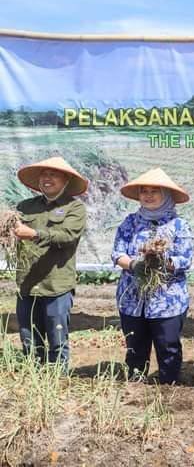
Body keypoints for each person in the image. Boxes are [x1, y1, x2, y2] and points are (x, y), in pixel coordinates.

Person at [111, 168, 193, 384]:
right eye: (143, 191)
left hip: (167, 300)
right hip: (133, 299)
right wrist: (135, 264)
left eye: (154, 191)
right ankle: (135, 387)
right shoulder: (130, 222)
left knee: (168, 347)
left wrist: (162, 262)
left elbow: (185, 259)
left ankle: (168, 389)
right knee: (135, 347)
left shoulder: (178, 225)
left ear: (165, 195)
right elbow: (117, 253)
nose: (147, 195)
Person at [14, 156, 88, 368]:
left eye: (53, 174)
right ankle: (34, 380)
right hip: (27, 284)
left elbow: (67, 235)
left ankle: (59, 381)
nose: (47, 178)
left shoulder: (75, 208)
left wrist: (34, 233)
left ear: (65, 180)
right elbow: (13, 234)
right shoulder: (24, 207)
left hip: (56, 285)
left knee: (57, 341)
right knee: (29, 339)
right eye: (44, 174)